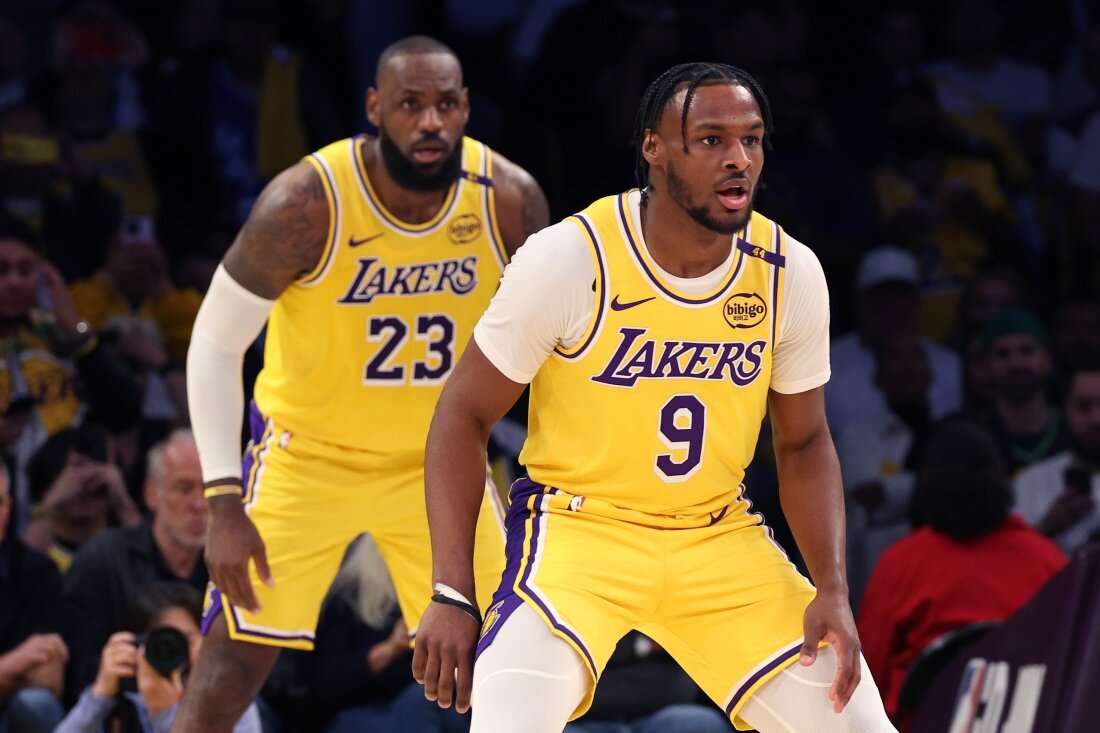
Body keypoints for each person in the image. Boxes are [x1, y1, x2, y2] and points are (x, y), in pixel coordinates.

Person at [413, 62, 895, 732]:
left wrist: (833, 588)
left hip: (717, 533)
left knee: (862, 726)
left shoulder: (790, 272)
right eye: (711, 140)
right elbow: (460, 414)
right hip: (580, 534)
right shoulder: (569, 259)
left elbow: (805, 439)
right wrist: (451, 589)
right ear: (653, 148)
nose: (738, 160)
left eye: (752, 140)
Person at [175, 35, 548, 733]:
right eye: (411, 104)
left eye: (445, 104)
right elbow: (215, 342)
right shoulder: (304, 203)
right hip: (307, 457)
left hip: (438, 464)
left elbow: (556, 348)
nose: (430, 122)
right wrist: (223, 500)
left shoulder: (509, 201)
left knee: (511, 667)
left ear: (466, 108)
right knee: (229, 669)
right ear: (375, 107)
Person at [857, 420, 1066, 720]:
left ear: (927, 482)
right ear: (1001, 475)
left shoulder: (899, 565)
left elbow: (868, 676)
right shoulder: (1047, 561)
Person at [61, 430, 209, 694]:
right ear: (152, 494)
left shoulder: (235, 567)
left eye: (210, 489)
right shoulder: (102, 559)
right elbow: (78, 668)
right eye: (184, 489)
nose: (199, 504)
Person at [56, 582, 261, 733]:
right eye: (161, 641)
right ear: (137, 644)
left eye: (185, 640)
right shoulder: (122, 696)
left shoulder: (228, 699)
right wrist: (99, 696)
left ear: (205, 643)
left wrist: (166, 713)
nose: (173, 652)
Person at [0, 463, 67, 733]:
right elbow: (28, 666)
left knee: (37, 705)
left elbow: (49, 679)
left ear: (6, 510)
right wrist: (14, 665)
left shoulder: (36, 571)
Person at [1013, 361, 1100, 553]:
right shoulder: (1032, 480)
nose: (1096, 418)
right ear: (1065, 410)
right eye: (1084, 406)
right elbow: (1007, 561)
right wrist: (1047, 526)